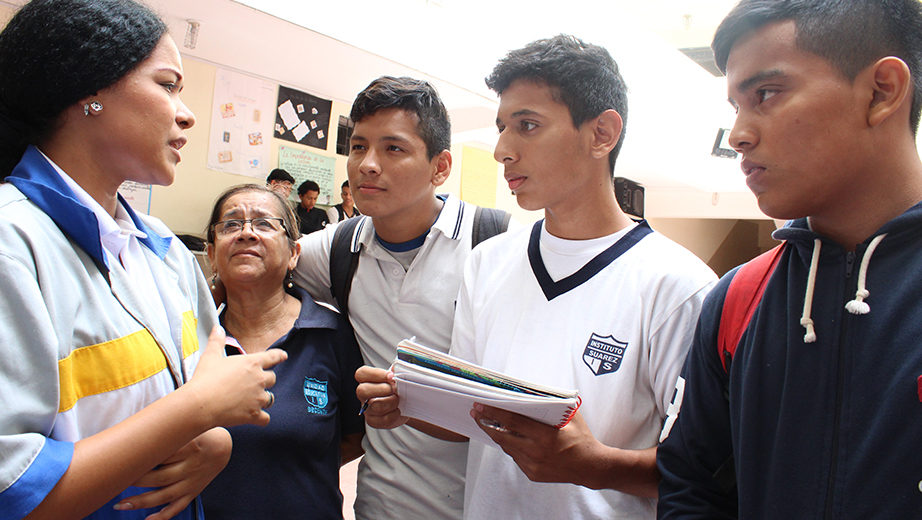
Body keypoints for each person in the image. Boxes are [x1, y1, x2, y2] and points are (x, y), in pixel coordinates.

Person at [356, 36, 716, 520]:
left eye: (527, 126)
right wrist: (411, 402)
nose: (502, 150)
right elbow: (475, 419)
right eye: (502, 128)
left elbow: (708, 471)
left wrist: (595, 465)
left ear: (602, 134)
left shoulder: (677, 286)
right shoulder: (489, 262)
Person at [0, 1, 287, 519]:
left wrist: (216, 439)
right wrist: (195, 413)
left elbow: (210, 377)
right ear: (88, 91)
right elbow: (13, 492)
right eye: (168, 85)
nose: (187, 113)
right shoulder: (14, 243)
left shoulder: (161, 246)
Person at [656, 1, 922, 518]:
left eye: (766, 94)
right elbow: (689, 480)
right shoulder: (737, 299)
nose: (738, 136)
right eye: (736, 107)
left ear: (881, 91)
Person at [292, 76, 498, 520]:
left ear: (440, 168)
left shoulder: (495, 246)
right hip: (381, 506)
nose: (368, 164)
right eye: (359, 146)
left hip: (482, 504)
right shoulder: (338, 248)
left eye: (393, 149)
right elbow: (255, 273)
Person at [200, 185, 364, 519]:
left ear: (293, 253)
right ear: (211, 253)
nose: (246, 233)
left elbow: (354, 436)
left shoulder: (331, 335)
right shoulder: (191, 339)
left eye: (264, 224)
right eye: (231, 225)